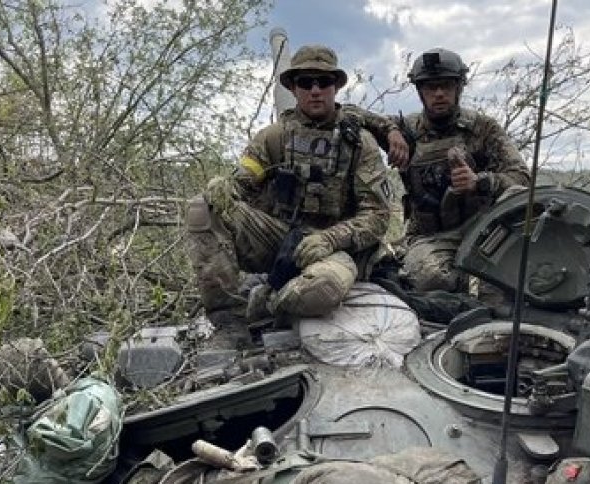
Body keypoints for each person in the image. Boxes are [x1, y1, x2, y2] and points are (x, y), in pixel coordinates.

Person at [184, 45, 394, 353]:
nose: (315, 90)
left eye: (323, 82)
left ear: (335, 87)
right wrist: (224, 187)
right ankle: (228, 324)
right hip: (280, 240)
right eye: (306, 82)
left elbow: (377, 216)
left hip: (335, 252)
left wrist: (331, 238)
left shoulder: (360, 144)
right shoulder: (273, 137)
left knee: (322, 290)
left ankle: (268, 302)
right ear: (293, 88)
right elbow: (244, 181)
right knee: (202, 208)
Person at [352, 47, 531, 292]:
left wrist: (479, 182)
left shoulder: (482, 128)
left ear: (458, 88)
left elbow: (522, 180)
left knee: (504, 278)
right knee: (431, 281)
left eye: (446, 86)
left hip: (484, 228)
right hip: (430, 236)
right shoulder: (408, 130)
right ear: (420, 92)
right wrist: (389, 130)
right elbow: (348, 114)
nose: (439, 94)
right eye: (430, 88)